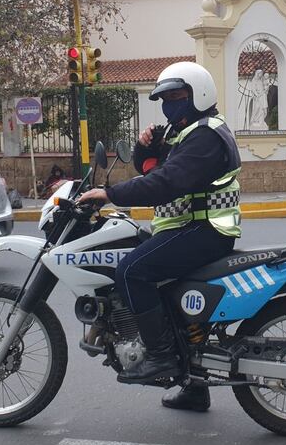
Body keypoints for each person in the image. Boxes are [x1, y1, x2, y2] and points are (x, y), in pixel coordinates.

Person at [77, 62, 241, 413]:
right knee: (166, 295)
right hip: (190, 228)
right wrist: (144, 148)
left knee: (131, 272)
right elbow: (154, 170)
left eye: (178, 96)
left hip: (204, 230)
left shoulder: (206, 135)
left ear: (199, 94)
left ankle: (162, 357)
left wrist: (110, 194)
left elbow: (165, 184)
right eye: (165, 99)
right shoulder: (188, 131)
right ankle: (195, 386)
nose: (170, 105)